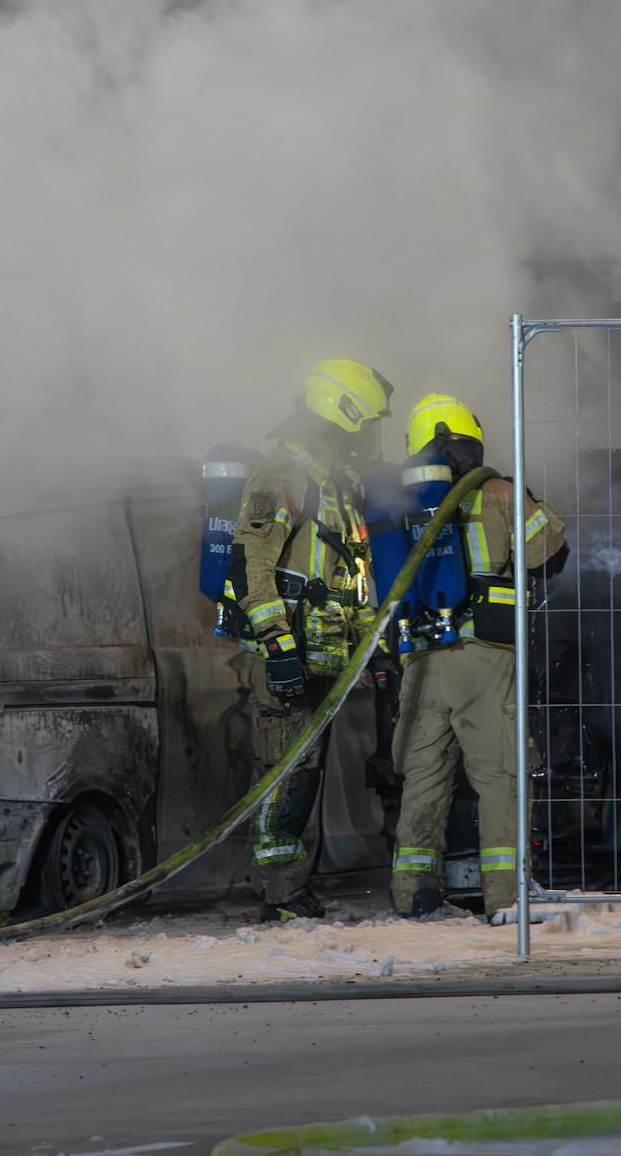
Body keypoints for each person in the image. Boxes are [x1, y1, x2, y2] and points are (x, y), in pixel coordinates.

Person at [387, 393, 566, 920]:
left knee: (423, 777)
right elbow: (548, 554)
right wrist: (531, 501)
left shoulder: (396, 504)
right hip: (483, 658)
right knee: (500, 778)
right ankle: (508, 899)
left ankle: (412, 894)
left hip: (419, 658)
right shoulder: (498, 493)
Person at [228, 359, 392, 921]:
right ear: (337, 413)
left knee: (304, 772)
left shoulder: (337, 483)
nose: (370, 436)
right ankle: (279, 892)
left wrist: (376, 649)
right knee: (283, 770)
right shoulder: (281, 475)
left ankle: (289, 882)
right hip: (292, 656)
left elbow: (356, 575)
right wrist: (278, 649)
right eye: (366, 422)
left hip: (329, 655)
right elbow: (254, 571)